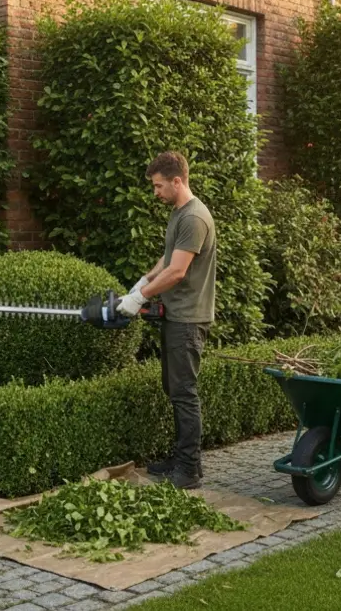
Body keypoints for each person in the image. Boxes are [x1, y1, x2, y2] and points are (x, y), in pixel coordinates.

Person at [117, 151, 217, 490]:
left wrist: (139, 299)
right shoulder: (179, 213)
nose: (155, 192)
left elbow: (178, 271)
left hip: (188, 319)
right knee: (174, 389)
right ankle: (182, 459)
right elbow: (168, 258)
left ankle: (189, 470)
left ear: (177, 181)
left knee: (184, 393)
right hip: (177, 316)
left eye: (159, 186)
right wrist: (143, 282)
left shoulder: (194, 217)